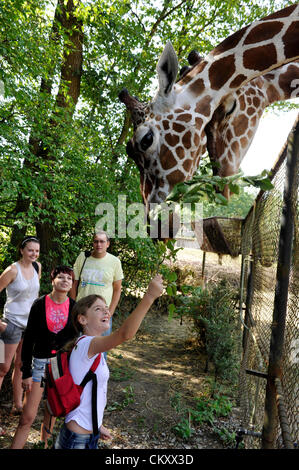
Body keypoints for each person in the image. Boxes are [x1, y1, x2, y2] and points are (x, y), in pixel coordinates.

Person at [55, 274, 163, 449]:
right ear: (82, 319)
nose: (106, 311)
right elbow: (124, 334)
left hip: (86, 435)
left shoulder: (91, 349)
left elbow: (88, 393)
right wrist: (149, 297)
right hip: (77, 439)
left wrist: (97, 425)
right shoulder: (87, 345)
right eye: (98, 309)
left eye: (106, 307)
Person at [10, 265, 77, 449]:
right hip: (39, 363)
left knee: (52, 409)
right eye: (61, 277)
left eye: (69, 279)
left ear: (72, 284)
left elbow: (75, 338)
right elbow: (29, 339)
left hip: (59, 365)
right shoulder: (40, 304)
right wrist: (26, 373)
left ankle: (44, 444)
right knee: (27, 417)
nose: (65, 281)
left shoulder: (73, 307)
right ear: (52, 280)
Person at [0, 236, 41, 435]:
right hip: (11, 324)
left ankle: (17, 405)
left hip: (29, 326)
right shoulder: (11, 270)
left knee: (20, 365)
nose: (34, 254)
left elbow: (32, 297)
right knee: (2, 368)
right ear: (22, 250)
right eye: (30, 250)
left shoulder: (37, 267)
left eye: (37, 251)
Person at [70, 231, 124, 358]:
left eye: (102, 241)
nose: (98, 244)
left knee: (101, 350)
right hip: (82, 312)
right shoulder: (83, 257)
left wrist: (110, 311)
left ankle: (98, 376)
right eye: (96, 241)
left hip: (102, 313)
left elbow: (117, 289)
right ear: (93, 243)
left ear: (108, 244)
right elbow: (74, 283)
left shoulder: (114, 262)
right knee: (78, 348)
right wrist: (73, 304)